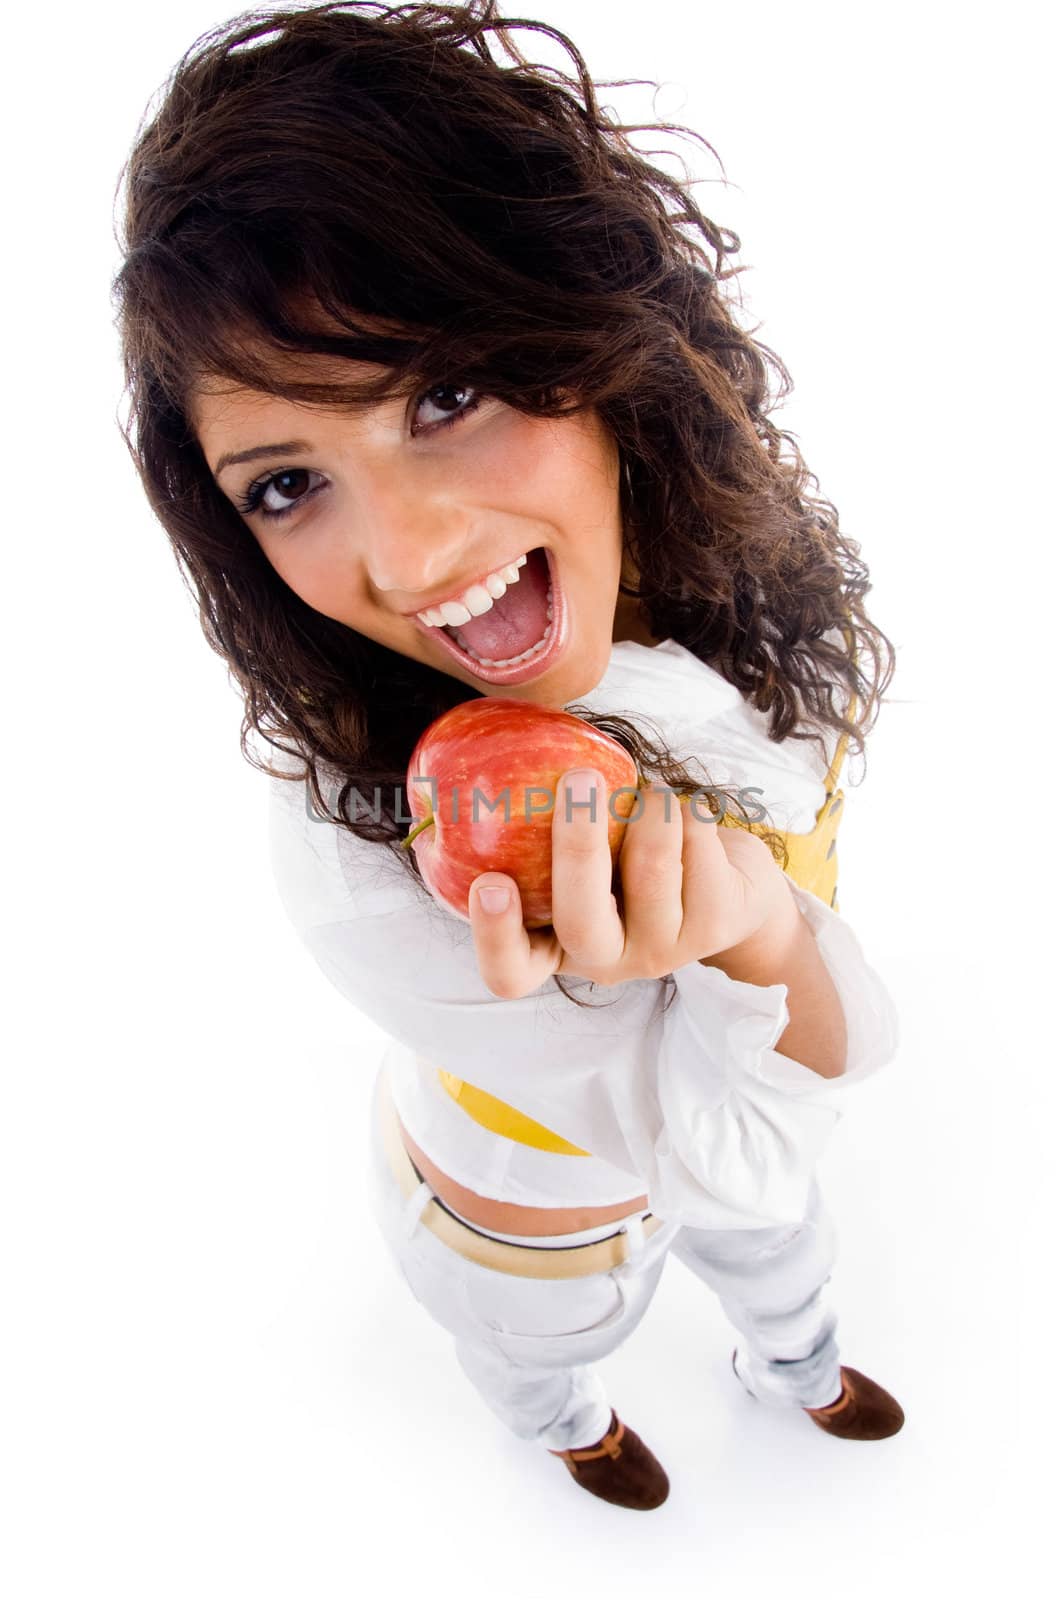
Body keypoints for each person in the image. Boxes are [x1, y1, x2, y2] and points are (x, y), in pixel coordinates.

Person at [112, 0, 904, 1512]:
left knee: (785, 1257)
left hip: (748, 1122)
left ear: (595, 335)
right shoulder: (364, 865)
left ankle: (794, 1369)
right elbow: (743, 1125)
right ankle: (565, 1429)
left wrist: (752, 940)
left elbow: (760, 1145)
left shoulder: (713, 576)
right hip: (525, 1219)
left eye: (446, 393)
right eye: (288, 482)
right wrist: (752, 936)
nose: (411, 562)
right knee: (550, 1344)